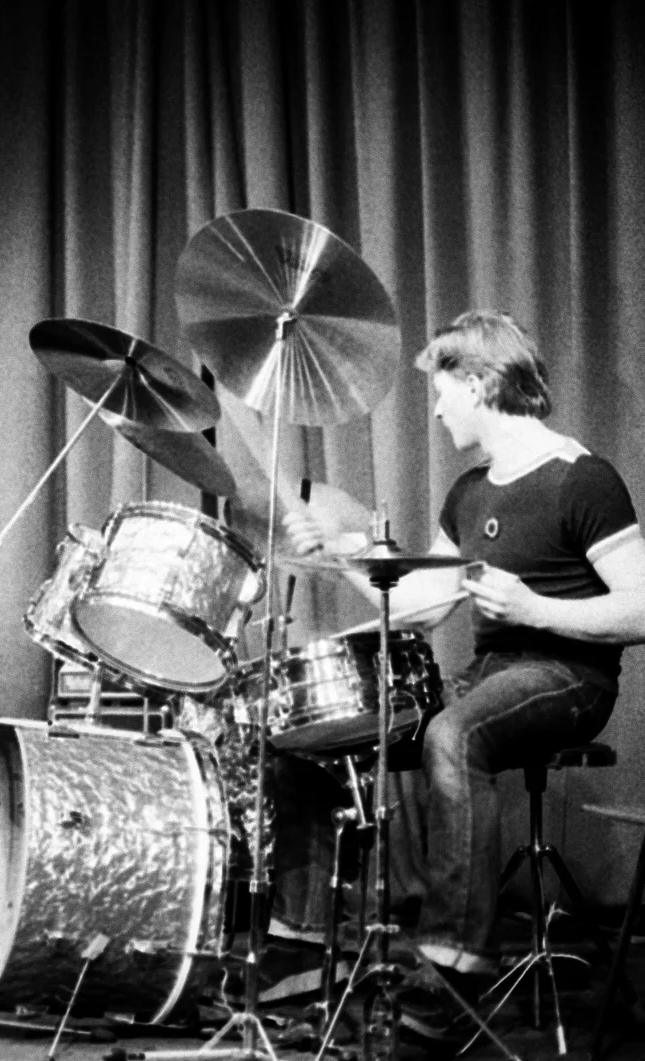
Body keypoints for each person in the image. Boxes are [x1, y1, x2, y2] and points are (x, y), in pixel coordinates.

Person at [274, 310, 645, 1044]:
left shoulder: (584, 479)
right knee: (315, 736)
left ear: (478, 383)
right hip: (487, 674)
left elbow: (640, 606)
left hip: (568, 676)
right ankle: (303, 942)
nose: (438, 410)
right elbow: (421, 606)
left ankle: (452, 968)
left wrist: (537, 607)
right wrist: (346, 553)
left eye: (443, 392)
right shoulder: (470, 491)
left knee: (454, 734)